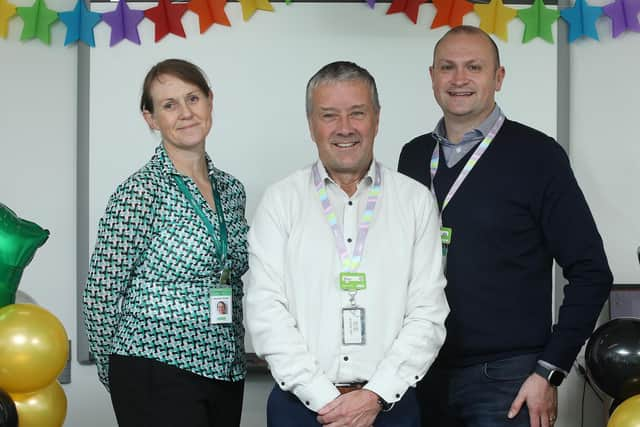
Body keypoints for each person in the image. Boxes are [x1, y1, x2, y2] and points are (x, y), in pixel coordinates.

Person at [398, 26, 613, 427]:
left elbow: (591, 272)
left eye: (474, 67)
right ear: (432, 77)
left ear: (498, 78)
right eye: (448, 67)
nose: (459, 79)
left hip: (507, 380)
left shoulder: (538, 156)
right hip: (419, 372)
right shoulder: (413, 157)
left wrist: (550, 369)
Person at [245, 61, 449, 427]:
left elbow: (427, 313)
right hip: (300, 411)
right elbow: (265, 310)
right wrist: (327, 400)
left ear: (376, 118)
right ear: (311, 124)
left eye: (357, 113)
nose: (344, 128)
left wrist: (374, 396)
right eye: (329, 115)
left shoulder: (415, 202)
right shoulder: (280, 201)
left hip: (391, 407)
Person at [83, 59, 249, 427]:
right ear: (151, 118)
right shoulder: (139, 191)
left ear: (210, 102)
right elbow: (99, 296)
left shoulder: (231, 190)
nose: (186, 113)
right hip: (154, 367)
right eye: (169, 105)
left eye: (193, 98)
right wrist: (120, 376)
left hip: (226, 367)